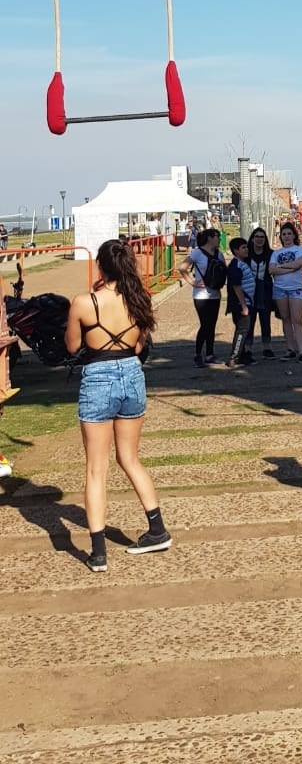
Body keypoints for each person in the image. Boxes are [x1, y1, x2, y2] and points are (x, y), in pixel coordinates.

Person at [64, 239, 171, 572]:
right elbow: (140, 346)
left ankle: (98, 552)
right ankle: (156, 528)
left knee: (96, 468)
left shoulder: (84, 303)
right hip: (131, 374)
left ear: (100, 266)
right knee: (130, 458)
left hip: (97, 376)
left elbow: (72, 346)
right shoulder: (140, 299)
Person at [180, 227, 226, 366]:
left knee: (212, 325)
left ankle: (210, 354)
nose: (219, 239)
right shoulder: (197, 253)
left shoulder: (219, 254)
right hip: (201, 295)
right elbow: (182, 267)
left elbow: (224, 270)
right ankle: (198, 354)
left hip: (215, 294)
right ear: (209, 238)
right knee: (205, 324)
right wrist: (192, 282)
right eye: (216, 236)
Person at [269, 222, 302, 362]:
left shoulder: (300, 249)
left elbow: (299, 264)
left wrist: (281, 267)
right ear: (280, 236)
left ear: (294, 235)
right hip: (280, 289)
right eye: (284, 234)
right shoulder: (276, 253)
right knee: (285, 319)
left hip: (296, 289)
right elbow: (271, 270)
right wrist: (289, 268)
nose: (286, 236)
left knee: (297, 320)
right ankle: (290, 348)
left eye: (289, 233)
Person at [225, 237, 256, 366]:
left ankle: (242, 355)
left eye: (246, 247)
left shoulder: (242, 263)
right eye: (243, 248)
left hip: (247, 302)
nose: (246, 250)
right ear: (235, 251)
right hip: (241, 304)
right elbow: (236, 286)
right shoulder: (235, 265)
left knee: (244, 329)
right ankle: (234, 357)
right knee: (242, 330)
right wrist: (243, 305)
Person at [245, 227, 275, 358]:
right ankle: (247, 348)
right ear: (252, 239)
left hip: (265, 291)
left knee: (265, 319)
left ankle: (267, 347)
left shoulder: (271, 254)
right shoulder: (246, 255)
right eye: (257, 237)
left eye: (262, 237)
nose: (259, 239)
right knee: (249, 321)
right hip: (250, 291)